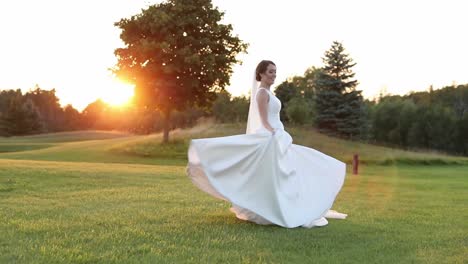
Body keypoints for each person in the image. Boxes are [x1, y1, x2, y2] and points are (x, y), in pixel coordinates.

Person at [186, 60, 347, 228]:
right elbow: (263, 119)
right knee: (275, 173)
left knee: (287, 170)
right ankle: (272, 208)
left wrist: (278, 132)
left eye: (275, 72)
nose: (274, 75)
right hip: (271, 136)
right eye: (270, 72)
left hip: (278, 135)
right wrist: (273, 132)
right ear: (261, 74)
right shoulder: (262, 93)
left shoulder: (270, 94)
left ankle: (283, 205)